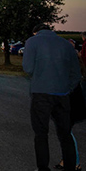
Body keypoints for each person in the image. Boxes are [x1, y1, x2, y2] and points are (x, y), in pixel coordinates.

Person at [23, 23, 81, 171]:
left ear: (36, 32)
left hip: (41, 94)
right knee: (65, 134)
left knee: (41, 133)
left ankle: (43, 168)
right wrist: (67, 88)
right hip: (62, 95)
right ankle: (70, 167)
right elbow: (76, 74)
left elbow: (28, 68)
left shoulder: (32, 41)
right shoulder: (66, 44)